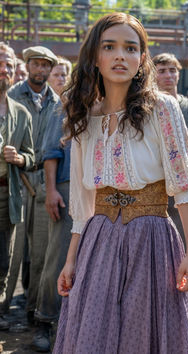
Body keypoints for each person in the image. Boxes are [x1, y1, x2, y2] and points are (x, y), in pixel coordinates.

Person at [53, 13, 188, 354]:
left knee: (143, 335)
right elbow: (82, 198)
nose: (120, 55)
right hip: (99, 240)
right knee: (94, 336)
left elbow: (184, 186)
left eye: (130, 48)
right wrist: (71, 259)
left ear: (141, 59)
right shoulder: (84, 115)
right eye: (110, 46)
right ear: (95, 56)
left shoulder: (162, 108)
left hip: (151, 240)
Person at [7, 46, 59, 325]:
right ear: (26, 66)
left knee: (41, 252)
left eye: (45, 65)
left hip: (43, 179)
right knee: (12, 254)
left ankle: (34, 311)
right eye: (35, 64)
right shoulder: (12, 96)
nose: (40, 70)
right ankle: (4, 308)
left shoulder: (57, 102)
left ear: (51, 69)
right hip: (15, 179)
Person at [31, 106, 72, 351]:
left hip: (101, 189)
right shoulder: (64, 106)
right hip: (67, 187)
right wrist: (52, 190)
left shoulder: (111, 101)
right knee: (58, 258)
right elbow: (50, 152)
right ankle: (44, 320)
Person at [0, 43, 34, 330]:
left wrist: (20, 158)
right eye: (0, 63)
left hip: (6, 194)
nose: (4, 69)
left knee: (3, 261)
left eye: (9, 65)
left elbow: (32, 156)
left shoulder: (21, 112)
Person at [152, 52, 188, 242]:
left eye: (172, 70)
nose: (168, 75)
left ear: (179, 74)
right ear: (153, 74)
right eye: (162, 71)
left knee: (184, 240)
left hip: (186, 185)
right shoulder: (147, 108)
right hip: (155, 185)